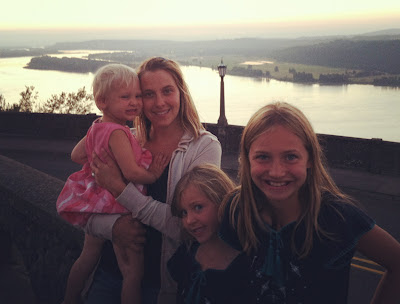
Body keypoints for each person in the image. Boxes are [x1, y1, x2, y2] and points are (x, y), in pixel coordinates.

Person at [219, 102, 400, 303]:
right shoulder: (235, 209)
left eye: (290, 157)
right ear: (247, 159)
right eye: (262, 157)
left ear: (310, 159)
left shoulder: (338, 218)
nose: (277, 172)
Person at [86, 57, 222, 304]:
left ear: (181, 93)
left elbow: (191, 228)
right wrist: (113, 228)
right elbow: (84, 207)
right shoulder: (124, 141)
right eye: (148, 94)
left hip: (160, 286)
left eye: (167, 91)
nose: (159, 102)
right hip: (107, 273)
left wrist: (120, 189)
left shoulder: (204, 147)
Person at [56, 63, 169, 304]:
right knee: (132, 273)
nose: (134, 102)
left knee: (87, 257)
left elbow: (77, 155)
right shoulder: (119, 133)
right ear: (102, 102)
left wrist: (100, 156)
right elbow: (131, 173)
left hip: (96, 200)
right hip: (117, 205)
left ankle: (69, 299)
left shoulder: (97, 127)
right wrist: (154, 174)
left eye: (137, 96)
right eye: (125, 97)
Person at [167, 164, 252, 304]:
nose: (189, 220)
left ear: (222, 201)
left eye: (198, 207)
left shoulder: (246, 266)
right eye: (184, 212)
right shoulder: (186, 254)